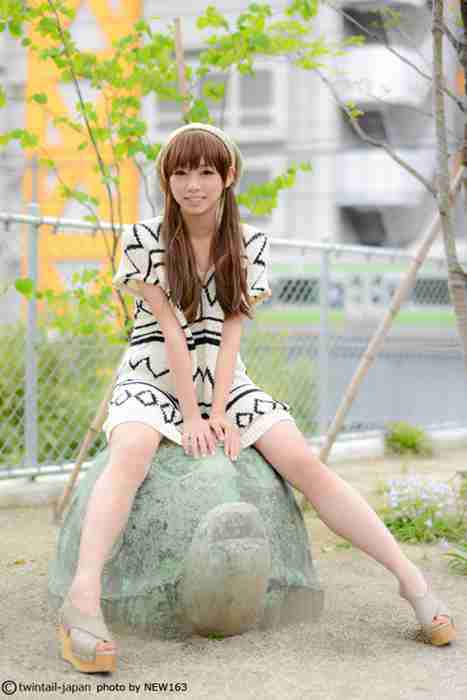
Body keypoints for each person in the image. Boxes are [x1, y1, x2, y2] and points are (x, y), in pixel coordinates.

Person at [57, 122, 456, 674]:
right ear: (166, 179)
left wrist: (219, 410)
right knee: (131, 452)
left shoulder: (250, 243)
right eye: (180, 172)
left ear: (228, 177)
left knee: (305, 464)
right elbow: (170, 330)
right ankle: (82, 597)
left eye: (205, 172)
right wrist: (192, 415)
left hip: (225, 376)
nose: (193, 184)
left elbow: (231, 333)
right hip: (153, 372)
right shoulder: (144, 238)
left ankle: (413, 583)